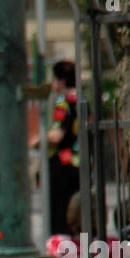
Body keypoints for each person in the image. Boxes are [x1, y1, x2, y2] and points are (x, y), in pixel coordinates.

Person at [42, 60, 80, 237]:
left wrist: (39, 139)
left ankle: (62, 251)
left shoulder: (63, 102)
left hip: (64, 163)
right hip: (81, 161)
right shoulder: (81, 98)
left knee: (60, 212)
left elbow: (57, 135)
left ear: (62, 81)